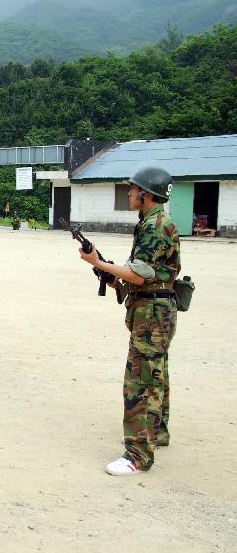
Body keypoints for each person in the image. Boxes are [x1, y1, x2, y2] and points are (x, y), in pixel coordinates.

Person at [78, 166, 180, 476]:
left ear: (147, 194)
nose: (129, 193)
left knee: (140, 380)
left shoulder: (154, 225)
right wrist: (113, 276)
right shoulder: (156, 221)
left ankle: (138, 455)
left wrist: (97, 262)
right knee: (156, 373)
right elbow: (143, 274)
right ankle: (157, 433)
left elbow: (140, 273)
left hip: (152, 313)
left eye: (133, 189)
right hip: (155, 307)